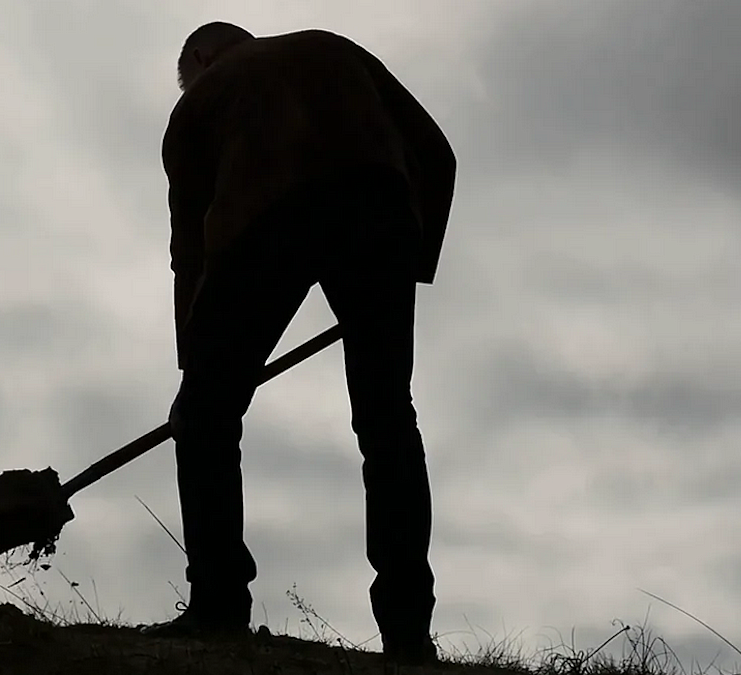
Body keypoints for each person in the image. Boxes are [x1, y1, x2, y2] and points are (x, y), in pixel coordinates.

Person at [139, 21, 456, 668]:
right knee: (386, 417)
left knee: (206, 417)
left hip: (267, 216)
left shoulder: (196, 105)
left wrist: (198, 381)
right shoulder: (330, 46)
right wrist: (407, 268)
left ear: (202, 59)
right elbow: (438, 154)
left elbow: (191, 255)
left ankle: (219, 606)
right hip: (382, 210)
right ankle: (408, 634)